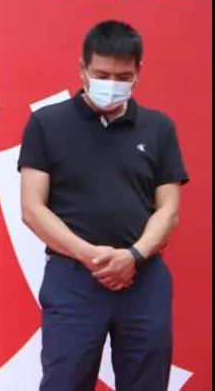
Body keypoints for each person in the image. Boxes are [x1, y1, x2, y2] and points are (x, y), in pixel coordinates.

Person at [18, 20, 188, 390]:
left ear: (138, 72)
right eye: (102, 74)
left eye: (123, 76)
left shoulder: (158, 128)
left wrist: (133, 255)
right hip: (73, 278)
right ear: (82, 68)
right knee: (65, 381)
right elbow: (32, 208)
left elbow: (169, 209)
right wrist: (90, 256)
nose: (112, 84)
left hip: (143, 278)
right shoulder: (47, 124)